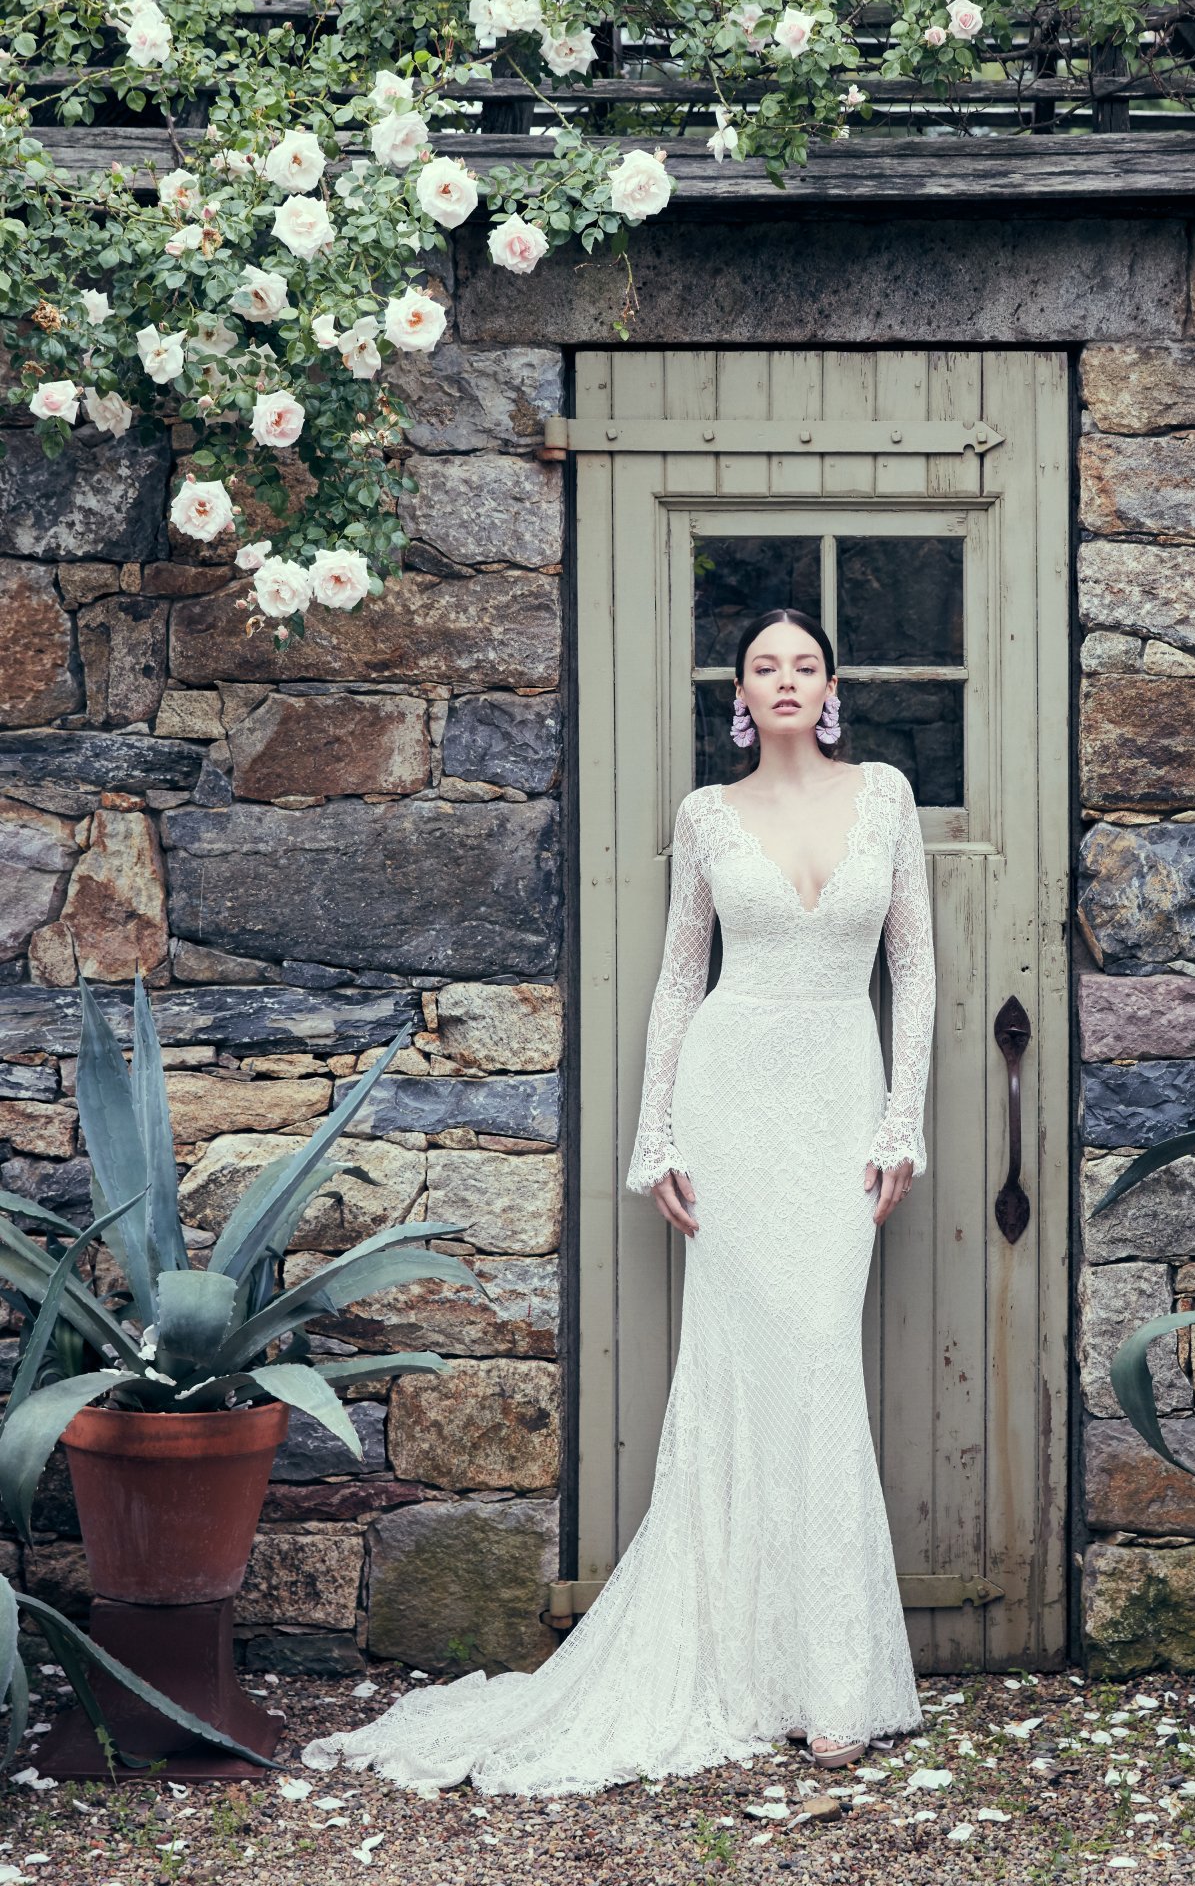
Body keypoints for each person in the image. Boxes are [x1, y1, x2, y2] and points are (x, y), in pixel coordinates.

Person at [301, 606, 937, 1798]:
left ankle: (831, 1673)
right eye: (764, 666)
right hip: (732, 1102)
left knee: (817, 1357)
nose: (785, 680)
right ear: (740, 695)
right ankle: (761, 1672)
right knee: (749, 1367)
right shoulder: (707, 816)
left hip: (841, 1100)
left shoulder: (888, 796)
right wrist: (653, 1139)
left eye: (805, 664)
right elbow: (676, 980)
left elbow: (916, 966)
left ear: (831, 687)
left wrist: (902, 1118)